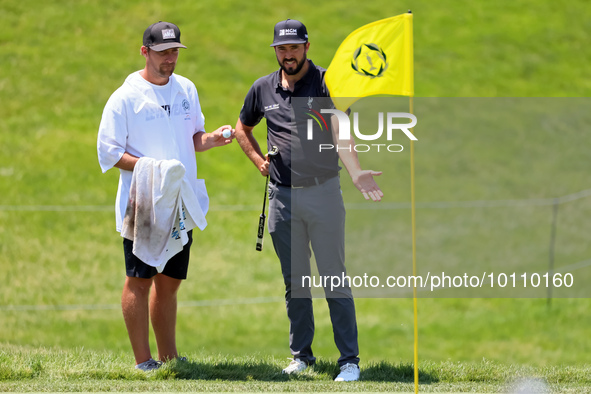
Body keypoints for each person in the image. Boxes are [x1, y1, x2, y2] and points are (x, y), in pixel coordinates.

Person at [234, 19, 383, 382]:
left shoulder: (327, 83)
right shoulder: (262, 89)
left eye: (294, 48)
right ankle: (302, 356)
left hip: (324, 194)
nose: (288, 55)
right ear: (276, 51)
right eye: (281, 49)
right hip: (283, 200)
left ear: (306, 47)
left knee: (334, 278)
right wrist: (259, 161)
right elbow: (242, 128)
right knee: (295, 282)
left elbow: (341, 132)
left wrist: (356, 171)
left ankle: (349, 361)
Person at [97, 21, 234, 371]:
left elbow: (194, 137)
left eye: (174, 52)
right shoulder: (124, 97)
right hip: (142, 203)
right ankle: (144, 362)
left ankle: (169, 359)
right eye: (162, 53)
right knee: (139, 280)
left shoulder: (186, 88)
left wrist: (213, 139)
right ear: (145, 52)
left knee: (170, 282)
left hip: (180, 201)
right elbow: (109, 153)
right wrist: (151, 169)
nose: (170, 59)